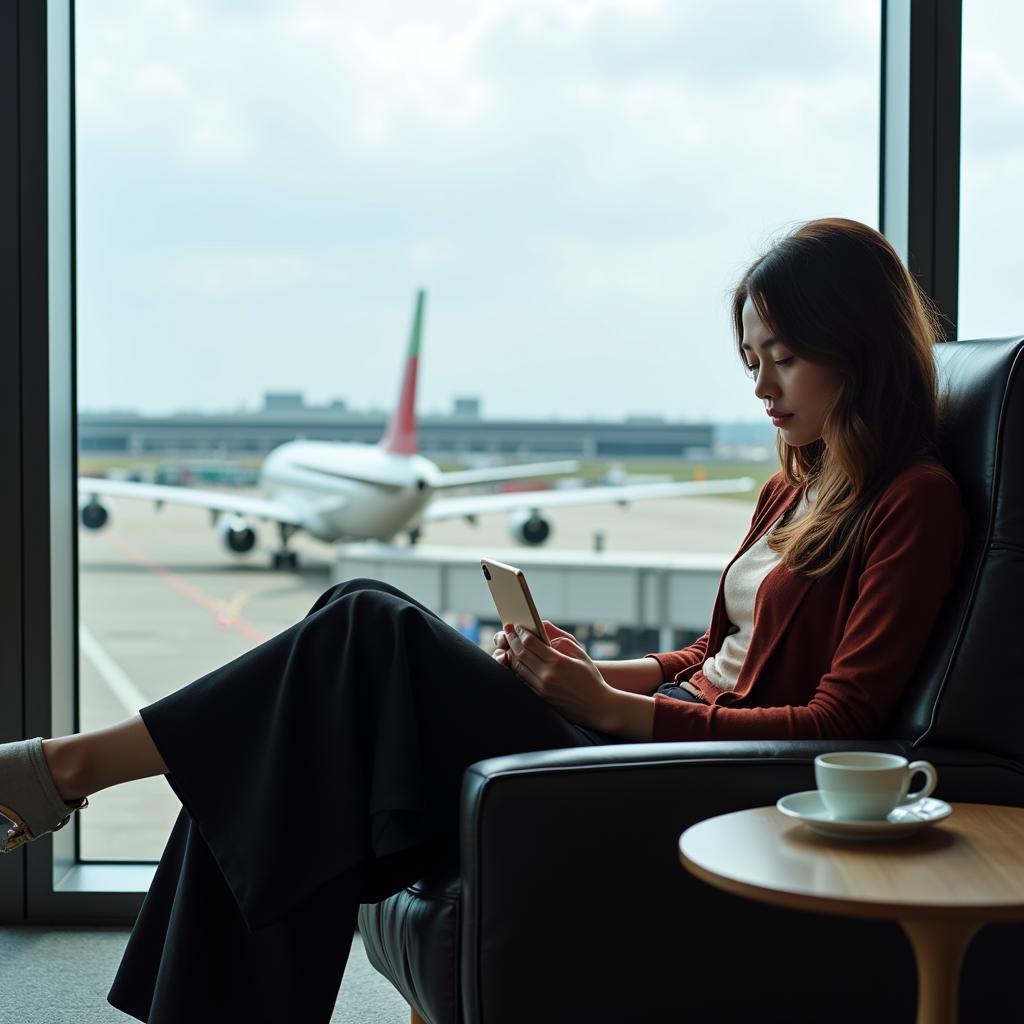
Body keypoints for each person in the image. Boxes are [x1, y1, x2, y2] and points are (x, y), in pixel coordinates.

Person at [0, 217, 968, 1023]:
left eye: (784, 359)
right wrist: (595, 672)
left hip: (686, 780)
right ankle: (68, 790)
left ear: (857, 345)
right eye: (751, 359)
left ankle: (68, 767)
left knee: (362, 624)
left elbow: (841, 724)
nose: (758, 387)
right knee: (298, 725)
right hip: (644, 733)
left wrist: (612, 708)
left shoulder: (910, 500)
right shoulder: (792, 487)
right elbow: (716, 656)